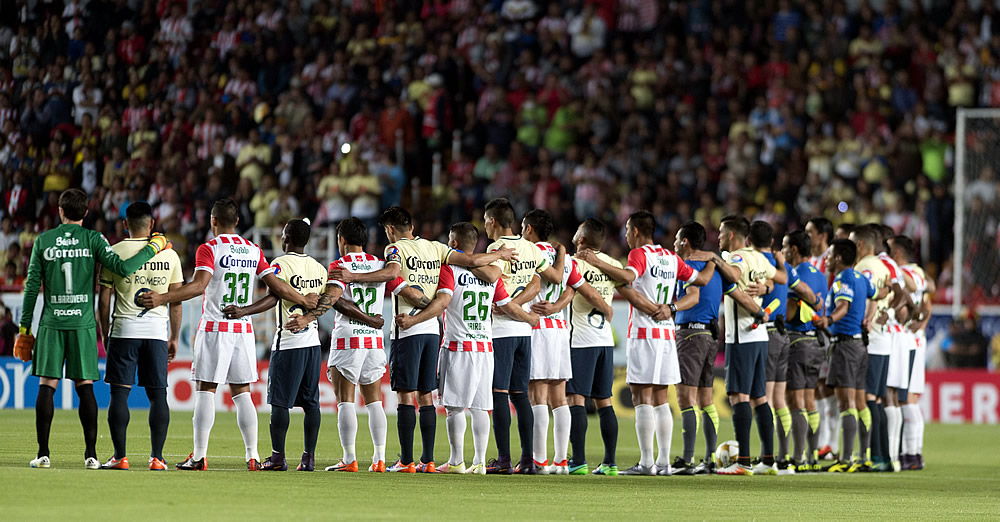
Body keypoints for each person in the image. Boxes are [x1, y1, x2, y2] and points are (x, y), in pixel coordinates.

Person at [327, 206, 515, 473]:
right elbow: (472, 261)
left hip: (408, 328)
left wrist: (354, 277)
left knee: (406, 396)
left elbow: (393, 276)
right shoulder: (436, 247)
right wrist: (498, 255)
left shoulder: (394, 250)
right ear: (412, 227)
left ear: (390, 230)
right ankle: (429, 460)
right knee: (427, 397)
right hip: (433, 330)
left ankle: (406, 460)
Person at [138, 199, 319, 471]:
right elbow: (278, 287)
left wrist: (162, 297)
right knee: (242, 393)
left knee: (206, 390)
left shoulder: (209, 248)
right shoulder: (253, 249)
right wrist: (304, 300)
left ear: (213, 221)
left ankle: (199, 456)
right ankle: (253, 456)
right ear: (236, 221)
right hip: (243, 330)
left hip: (215, 327)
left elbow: (198, 286)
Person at [16, 188, 170, 469]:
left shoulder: (43, 240)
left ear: (60, 211)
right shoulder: (94, 239)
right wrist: (152, 248)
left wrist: (24, 330)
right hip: (83, 324)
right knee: (85, 387)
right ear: (86, 213)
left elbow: (31, 287)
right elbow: (123, 269)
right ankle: (91, 456)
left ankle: (43, 454)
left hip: (52, 323)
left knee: (47, 385)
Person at [222, 218, 376, 472]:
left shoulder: (280, 264)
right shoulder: (319, 268)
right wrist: (369, 318)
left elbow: (274, 297)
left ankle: (277, 457)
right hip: (312, 343)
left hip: (289, 341)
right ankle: (308, 458)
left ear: (287, 238)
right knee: (311, 403)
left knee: (279, 403)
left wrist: (244, 311)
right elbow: (332, 301)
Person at [396, 222, 540, 475]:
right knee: (480, 407)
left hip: (457, 346)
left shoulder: (450, 268)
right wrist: (530, 319)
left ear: (453, 244)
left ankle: (456, 462)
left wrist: (414, 320)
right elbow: (507, 305)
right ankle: (480, 462)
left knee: (454, 407)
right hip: (485, 347)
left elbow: (443, 301)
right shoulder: (491, 274)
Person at [580, 211, 715, 476]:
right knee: (661, 399)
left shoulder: (639, 254)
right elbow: (701, 281)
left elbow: (628, 277)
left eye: (627, 231)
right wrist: (712, 260)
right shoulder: (671, 257)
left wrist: (596, 261)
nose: (626, 236)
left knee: (641, 397)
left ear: (635, 231)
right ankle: (663, 463)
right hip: (666, 334)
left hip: (643, 333)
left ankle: (646, 463)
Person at [279, 217, 415, 472]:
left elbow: (332, 299)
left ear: (342, 240)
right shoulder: (378, 263)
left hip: (348, 339)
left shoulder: (340, 266)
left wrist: (307, 318)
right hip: (374, 340)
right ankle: (379, 459)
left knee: (346, 401)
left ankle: (350, 458)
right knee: (374, 401)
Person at [482, 198, 567, 474]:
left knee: (499, 394)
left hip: (502, 330)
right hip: (525, 334)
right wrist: (562, 253)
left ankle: (504, 460)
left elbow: (495, 285)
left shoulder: (496, 249)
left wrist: (511, 306)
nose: (484, 227)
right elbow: (551, 277)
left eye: (485, 221)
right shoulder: (531, 248)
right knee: (520, 396)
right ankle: (529, 460)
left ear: (493, 221)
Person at [97, 201, 183, 471]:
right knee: (158, 396)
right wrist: (174, 337)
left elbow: (103, 299)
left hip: (124, 330)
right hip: (156, 333)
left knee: (119, 395)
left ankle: (120, 457)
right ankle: (157, 458)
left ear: (125, 224)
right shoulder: (170, 255)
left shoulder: (113, 252)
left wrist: (105, 333)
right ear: (152, 224)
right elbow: (176, 301)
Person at [692, 216, 777, 475]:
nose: (717, 237)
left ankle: (744, 462)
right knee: (760, 397)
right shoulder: (758, 256)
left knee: (739, 396)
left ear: (730, 235)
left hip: (742, 334)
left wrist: (716, 259)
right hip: (760, 336)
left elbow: (735, 275)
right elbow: (776, 279)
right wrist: (766, 288)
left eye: (720, 232)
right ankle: (768, 461)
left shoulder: (736, 257)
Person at [520, 209, 599, 474]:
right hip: (560, 329)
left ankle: (540, 460)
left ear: (529, 229)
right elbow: (573, 287)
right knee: (559, 396)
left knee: (537, 395)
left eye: (523, 227)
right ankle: (561, 461)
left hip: (537, 327)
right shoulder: (563, 257)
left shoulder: (530, 253)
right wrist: (557, 306)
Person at [545, 218, 617, 475]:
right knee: (604, 401)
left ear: (582, 238)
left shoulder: (574, 264)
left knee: (575, 398)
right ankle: (610, 463)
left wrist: (555, 306)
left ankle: (578, 460)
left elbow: (575, 291)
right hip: (605, 340)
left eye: (577, 231)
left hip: (581, 340)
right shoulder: (613, 265)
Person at [813, 239, 876, 473]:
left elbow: (843, 306)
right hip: (860, 346)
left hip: (845, 346)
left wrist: (828, 320)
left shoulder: (843, 279)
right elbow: (878, 293)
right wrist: (870, 316)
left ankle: (846, 459)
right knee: (860, 403)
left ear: (839, 258)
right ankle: (864, 456)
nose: (826, 259)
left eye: (829, 255)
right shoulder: (861, 278)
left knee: (845, 403)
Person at [672, 222, 724, 475]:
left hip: (691, 334)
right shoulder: (715, 269)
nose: (674, 243)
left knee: (685, 398)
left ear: (685, 242)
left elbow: (693, 295)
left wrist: (672, 308)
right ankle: (711, 458)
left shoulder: (689, 267)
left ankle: (686, 459)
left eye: (676, 239)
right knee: (706, 400)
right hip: (710, 336)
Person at [748, 221, 793, 472]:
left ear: (748, 241)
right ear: (772, 242)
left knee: (762, 398)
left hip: (766, 334)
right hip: (783, 333)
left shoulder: (754, 263)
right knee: (779, 400)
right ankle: (783, 457)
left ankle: (769, 456)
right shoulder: (782, 266)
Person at [780, 230, 828, 472]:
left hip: (797, 341)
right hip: (815, 344)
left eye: (784, 246)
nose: (782, 250)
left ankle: (797, 458)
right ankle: (812, 456)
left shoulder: (796, 275)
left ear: (794, 249)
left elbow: (790, 312)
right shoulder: (821, 275)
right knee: (810, 400)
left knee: (795, 400)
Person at [849, 225, 893, 471]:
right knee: (876, 399)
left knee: (868, 399)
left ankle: (875, 457)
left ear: (860, 245)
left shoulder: (863, 268)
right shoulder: (883, 266)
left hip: (871, 339)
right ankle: (884, 457)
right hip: (883, 338)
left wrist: (865, 321)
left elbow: (869, 298)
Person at [891, 235, 931, 470]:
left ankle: (910, 454)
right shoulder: (918, 273)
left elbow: (917, 297)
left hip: (907, 339)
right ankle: (913, 453)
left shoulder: (904, 273)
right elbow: (927, 304)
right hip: (915, 339)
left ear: (897, 253)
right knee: (909, 398)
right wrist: (923, 323)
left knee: (907, 399)